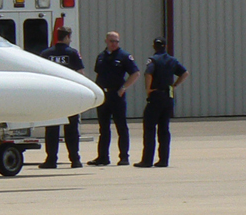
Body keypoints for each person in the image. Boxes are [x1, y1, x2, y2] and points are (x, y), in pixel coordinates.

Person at [89, 31, 141, 165]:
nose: (114, 44)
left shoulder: (124, 56)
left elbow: (135, 73)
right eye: (112, 41)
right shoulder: (101, 56)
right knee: (103, 128)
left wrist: (123, 88)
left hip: (116, 95)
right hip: (103, 96)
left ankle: (124, 157)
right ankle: (103, 157)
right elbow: (99, 74)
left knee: (121, 127)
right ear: (106, 41)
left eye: (116, 41)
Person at [136, 38, 188, 168]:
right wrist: (174, 85)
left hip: (156, 95)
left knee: (149, 128)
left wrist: (148, 89)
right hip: (168, 97)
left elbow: (148, 74)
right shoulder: (172, 60)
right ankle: (163, 160)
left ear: (154, 46)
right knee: (164, 129)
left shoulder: (153, 60)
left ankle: (147, 160)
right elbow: (185, 73)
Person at [39, 26, 84, 168]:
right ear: (67, 37)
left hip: (52, 96)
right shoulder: (73, 53)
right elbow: (80, 73)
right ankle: (75, 160)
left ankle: (51, 160)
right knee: (71, 130)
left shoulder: (46, 53)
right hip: (70, 96)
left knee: (52, 130)